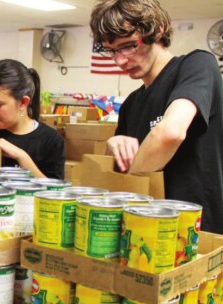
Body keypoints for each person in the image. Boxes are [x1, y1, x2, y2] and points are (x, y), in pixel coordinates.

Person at [90, 0, 223, 233]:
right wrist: (113, 147)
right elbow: (119, 166)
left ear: (158, 29)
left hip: (198, 230)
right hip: (146, 227)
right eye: (111, 51)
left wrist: (130, 185)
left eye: (129, 46)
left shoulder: (196, 65)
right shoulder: (132, 103)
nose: (119, 60)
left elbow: (170, 133)